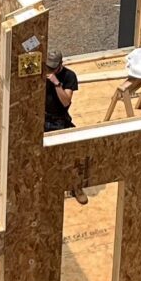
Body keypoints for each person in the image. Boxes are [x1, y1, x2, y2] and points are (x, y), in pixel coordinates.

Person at [43, 54, 89, 204]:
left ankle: (76, 187)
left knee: (72, 154)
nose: (50, 70)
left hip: (59, 120)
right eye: (48, 67)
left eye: (53, 68)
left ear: (60, 65)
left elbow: (65, 101)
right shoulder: (43, 72)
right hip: (42, 119)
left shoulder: (69, 76)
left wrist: (56, 83)